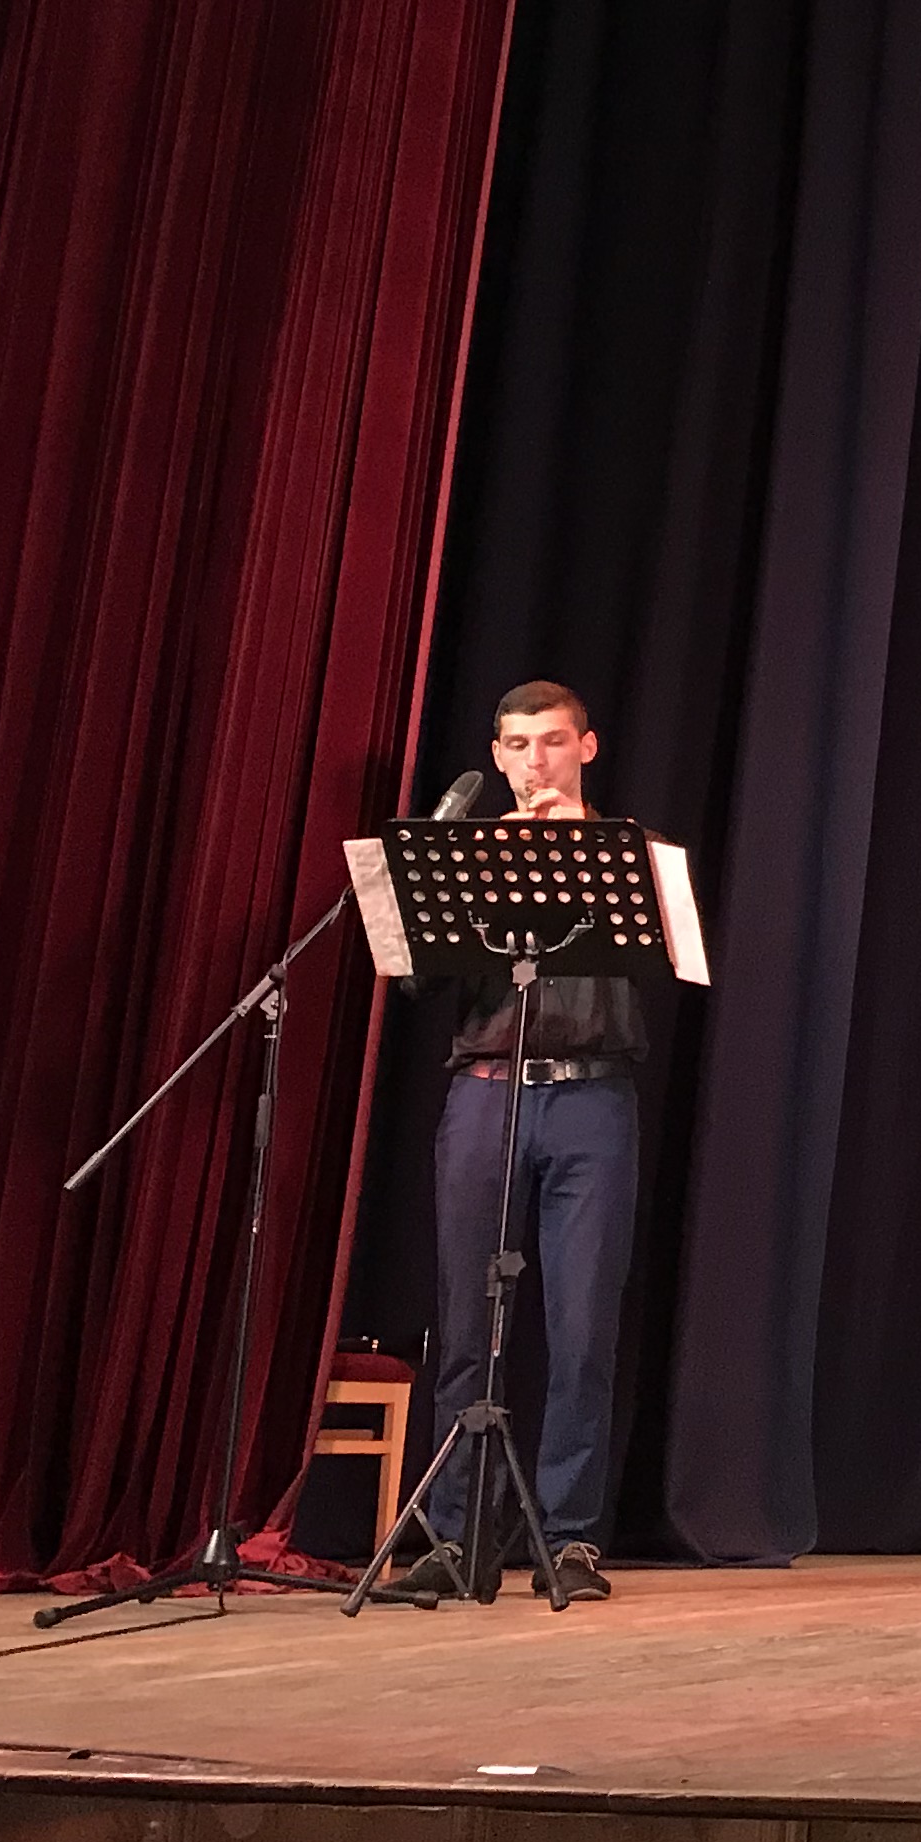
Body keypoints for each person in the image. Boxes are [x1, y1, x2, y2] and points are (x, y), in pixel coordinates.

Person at [391, 679, 649, 1604]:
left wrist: (574, 856)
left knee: (581, 1330)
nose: (533, 761)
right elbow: (414, 980)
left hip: (591, 1097)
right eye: (516, 745)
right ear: (497, 756)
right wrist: (464, 883)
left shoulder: (628, 855)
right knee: (466, 1325)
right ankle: (456, 1535)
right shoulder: (474, 857)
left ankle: (571, 1538)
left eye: (551, 742)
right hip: (486, 1094)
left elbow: (666, 961)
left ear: (586, 748)